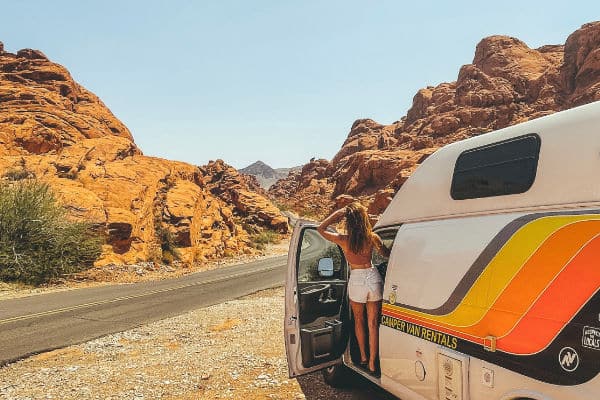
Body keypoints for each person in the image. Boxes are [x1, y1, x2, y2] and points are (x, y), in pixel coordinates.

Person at [317, 202, 390, 375]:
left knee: (359, 321)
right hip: (373, 277)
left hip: (357, 279)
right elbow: (387, 254)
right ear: (364, 219)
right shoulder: (372, 237)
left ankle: (363, 357)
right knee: (373, 323)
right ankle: (373, 362)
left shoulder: (343, 239)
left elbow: (321, 229)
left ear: (349, 220)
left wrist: (337, 214)